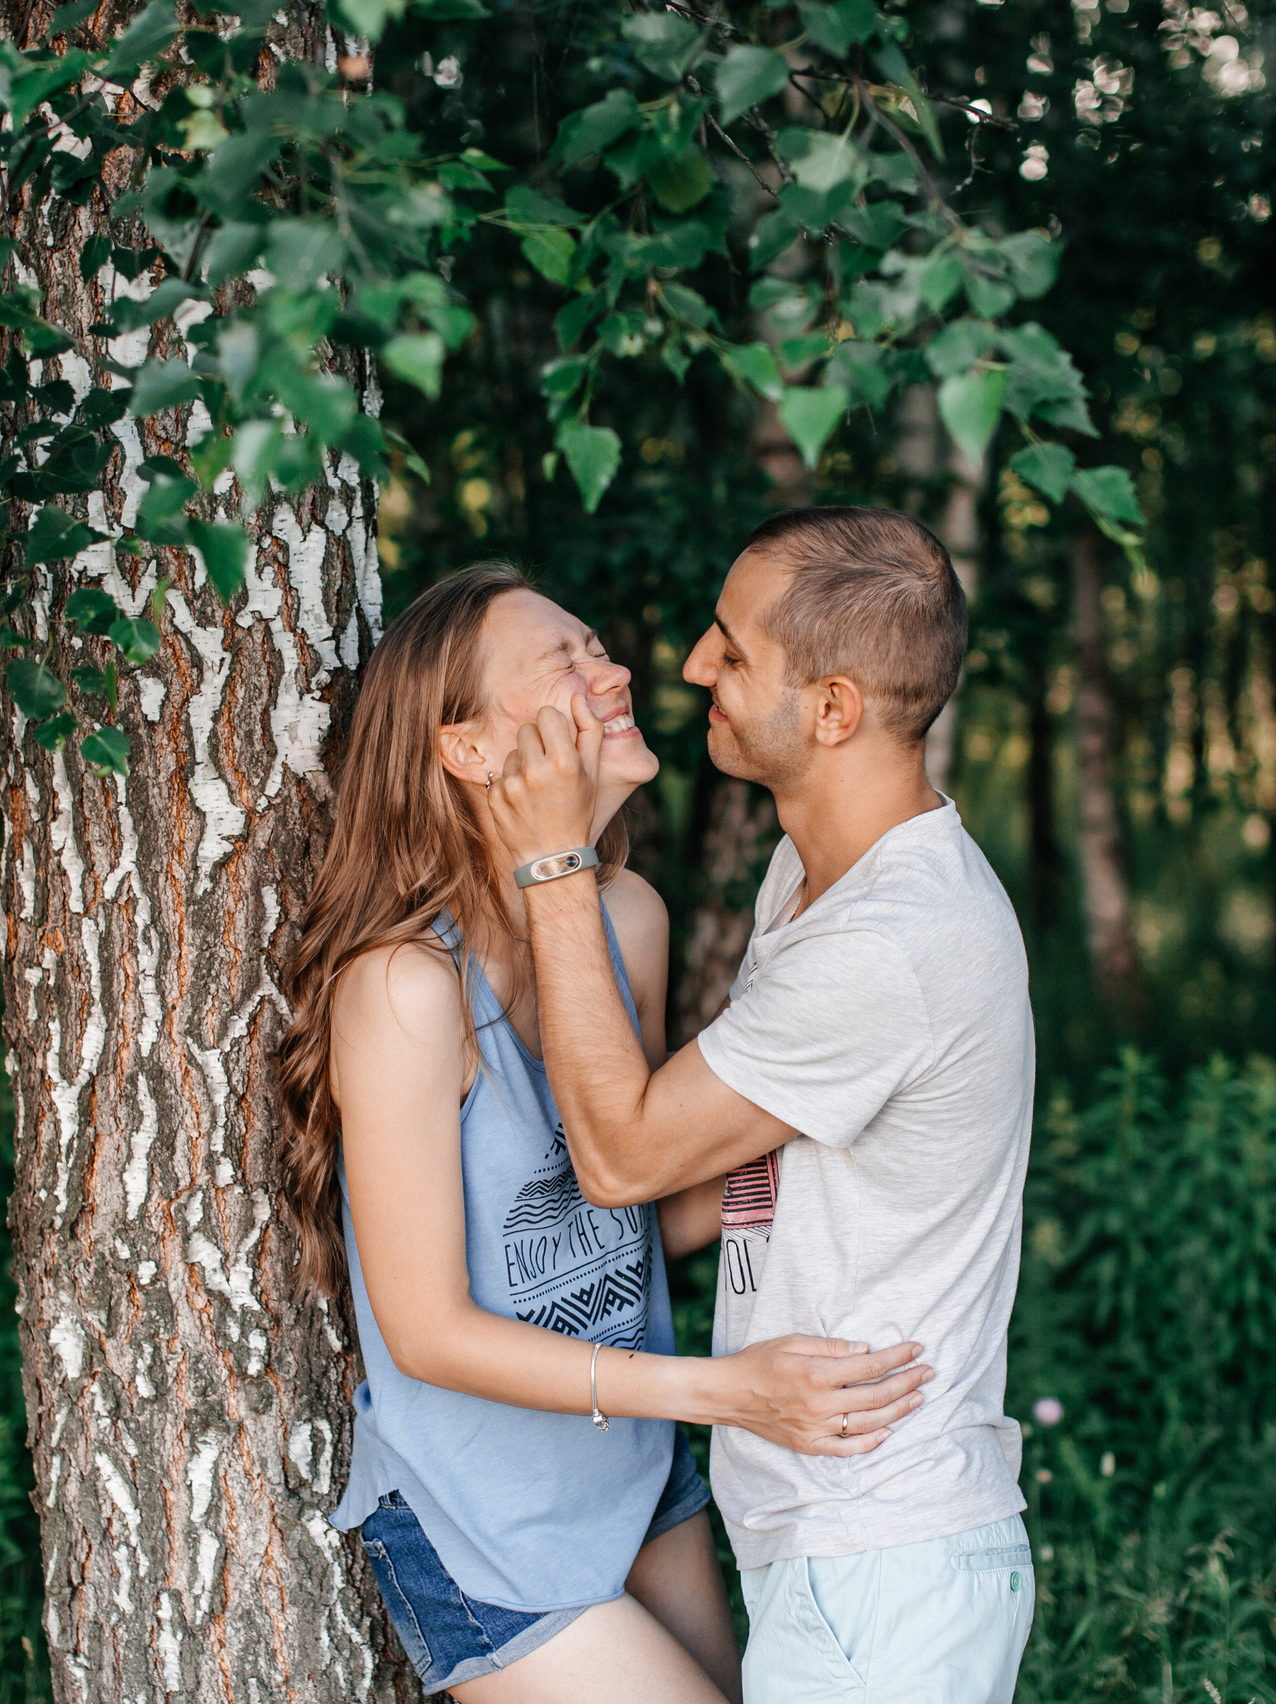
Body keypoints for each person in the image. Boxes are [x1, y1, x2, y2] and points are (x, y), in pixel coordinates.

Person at [275, 564, 933, 1701]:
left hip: (632, 1462)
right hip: (483, 1518)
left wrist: (852, 1141)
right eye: (564, 663)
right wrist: (725, 1391)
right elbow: (427, 1332)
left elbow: (628, 1205)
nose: (615, 669)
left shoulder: (628, 921)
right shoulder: (403, 991)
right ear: (467, 751)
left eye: (597, 642)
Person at [483, 507, 1040, 1703]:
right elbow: (731, 1185)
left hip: (883, 1554)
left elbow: (626, 1160)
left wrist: (550, 864)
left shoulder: (887, 945)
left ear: (834, 709)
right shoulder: (818, 875)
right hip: (834, 1539)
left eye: (731, 652)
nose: (690, 667)